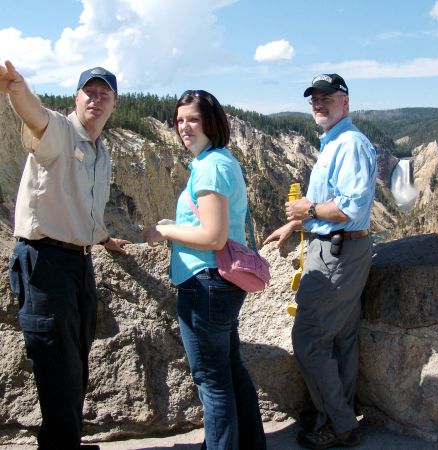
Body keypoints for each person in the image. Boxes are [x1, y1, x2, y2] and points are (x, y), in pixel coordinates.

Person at [0, 60, 130, 450]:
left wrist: (104, 238)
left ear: (114, 105)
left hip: (78, 261)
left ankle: (63, 441)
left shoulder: (101, 151)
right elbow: (34, 115)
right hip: (44, 262)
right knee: (58, 366)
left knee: (77, 362)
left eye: (104, 93)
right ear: (76, 98)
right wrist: (16, 88)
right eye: (89, 91)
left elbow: (85, 206)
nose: (96, 98)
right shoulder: (58, 131)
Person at [143, 90, 266, 450]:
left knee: (211, 381)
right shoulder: (221, 160)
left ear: (211, 122)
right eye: (179, 120)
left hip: (205, 283)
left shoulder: (211, 166)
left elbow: (213, 236)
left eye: (192, 119)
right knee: (229, 367)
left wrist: (163, 231)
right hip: (220, 283)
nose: (184, 127)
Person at [264, 74, 376, 449]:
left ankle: (341, 423)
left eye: (328, 97)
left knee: (308, 337)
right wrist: (292, 224)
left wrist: (307, 209)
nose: (319, 103)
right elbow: (328, 202)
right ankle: (336, 415)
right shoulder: (333, 143)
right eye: (314, 98)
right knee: (340, 340)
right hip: (339, 246)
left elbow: (351, 207)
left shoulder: (350, 144)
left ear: (345, 101)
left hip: (337, 251)